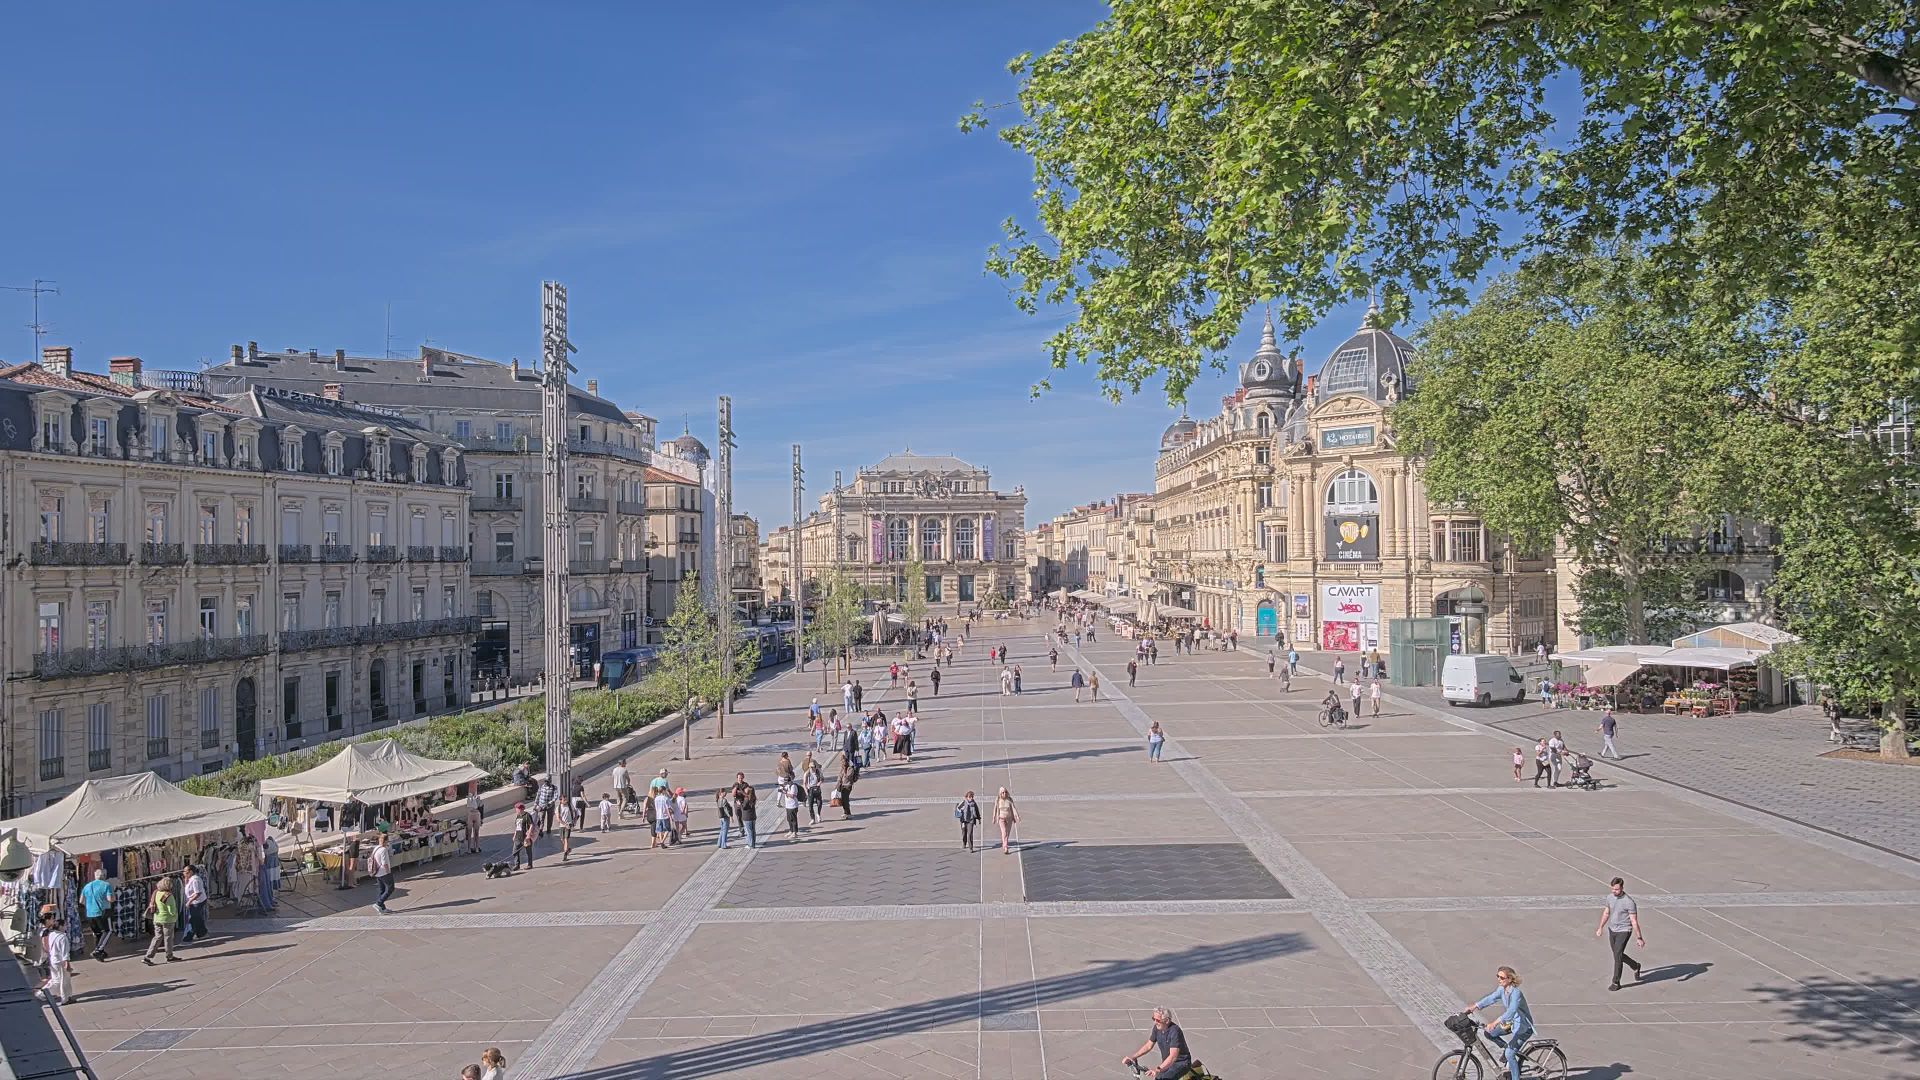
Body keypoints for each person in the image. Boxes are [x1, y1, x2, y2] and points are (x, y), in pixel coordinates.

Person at [1464, 966, 1534, 1080]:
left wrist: (1494, 1023)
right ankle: (1507, 1048)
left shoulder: (1516, 993)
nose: (1499, 979)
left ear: (1510, 979)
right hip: (1511, 1023)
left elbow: (1511, 1011)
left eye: (1502, 977)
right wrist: (1474, 1006)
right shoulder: (1502, 989)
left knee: (1509, 1054)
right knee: (1489, 1033)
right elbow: (1491, 998)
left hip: (1523, 1027)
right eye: (1498, 976)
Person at [1596, 877, 1646, 990]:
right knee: (1617, 954)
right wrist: (1600, 927)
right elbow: (1606, 913)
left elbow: (1634, 921)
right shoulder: (1610, 897)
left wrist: (1639, 937)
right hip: (1612, 929)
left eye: (1617, 889)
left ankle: (1616, 982)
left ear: (1622, 888)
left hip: (1624, 930)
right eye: (1613, 889)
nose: (1614, 891)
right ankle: (1635, 965)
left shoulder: (1629, 902)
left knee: (1617, 956)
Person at [1121, 1007, 1193, 1080]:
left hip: (1181, 1063)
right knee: (1157, 1077)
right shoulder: (1157, 1028)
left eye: (1158, 1020)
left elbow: (1173, 1057)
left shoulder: (1175, 1031)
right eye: (1153, 1019)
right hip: (1167, 1062)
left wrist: (1157, 1069)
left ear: (1167, 1020)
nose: (1155, 1022)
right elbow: (1148, 1046)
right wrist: (1133, 1057)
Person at [143, 876, 180, 965]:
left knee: (157, 938)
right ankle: (169, 956)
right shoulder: (169, 896)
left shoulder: (156, 892)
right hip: (167, 920)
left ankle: (147, 957)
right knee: (168, 938)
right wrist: (176, 915)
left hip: (157, 919)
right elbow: (172, 911)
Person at [79, 869, 112, 960]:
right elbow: (110, 899)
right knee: (108, 931)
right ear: (103, 876)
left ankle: (100, 953)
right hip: (102, 912)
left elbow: (81, 901)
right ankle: (98, 950)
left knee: (97, 933)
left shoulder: (87, 886)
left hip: (90, 914)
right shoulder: (106, 885)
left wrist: (89, 905)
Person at [39, 918, 73, 1005]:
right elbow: (65, 952)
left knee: (56, 980)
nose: (66, 927)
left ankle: (43, 992)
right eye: (65, 925)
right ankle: (65, 998)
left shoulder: (52, 934)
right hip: (60, 961)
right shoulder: (63, 937)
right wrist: (67, 963)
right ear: (61, 926)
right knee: (63, 980)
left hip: (53, 960)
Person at [179, 863, 208, 944]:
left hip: (197, 902)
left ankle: (189, 936)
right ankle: (203, 933)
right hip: (194, 901)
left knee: (193, 919)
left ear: (191, 872)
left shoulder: (195, 880)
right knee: (197, 918)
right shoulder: (190, 879)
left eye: (185, 871)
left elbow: (197, 893)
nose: (183, 873)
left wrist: (189, 901)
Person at [369, 833, 395, 913]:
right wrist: (388, 872)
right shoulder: (383, 850)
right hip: (384, 872)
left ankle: (382, 908)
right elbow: (384, 863)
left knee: (382, 890)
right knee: (391, 888)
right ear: (386, 841)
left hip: (377, 872)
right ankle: (379, 903)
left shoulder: (376, 848)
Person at [731, 773, 759, 848]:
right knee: (740, 818)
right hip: (747, 810)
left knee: (749, 830)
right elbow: (733, 794)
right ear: (737, 778)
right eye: (739, 778)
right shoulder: (735, 784)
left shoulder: (746, 785)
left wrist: (742, 793)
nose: (740, 779)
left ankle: (751, 844)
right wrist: (736, 788)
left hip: (744, 807)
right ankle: (750, 840)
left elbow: (745, 804)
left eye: (741, 778)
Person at [511, 802, 536, 869]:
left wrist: (528, 835)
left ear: (521, 809)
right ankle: (517, 865)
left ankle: (530, 864)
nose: (516, 810)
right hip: (518, 837)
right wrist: (514, 835)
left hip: (525, 837)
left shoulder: (527, 815)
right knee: (515, 851)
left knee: (528, 851)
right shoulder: (518, 816)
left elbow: (531, 825)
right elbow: (517, 826)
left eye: (517, 809)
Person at [995, 787, 1019, 854]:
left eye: (1005, 792)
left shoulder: (1009, 799)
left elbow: (1013, 808)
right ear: (1000, 793)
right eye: (1003, 792)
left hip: (1009, 818)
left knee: (1007, 833)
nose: (1004, 793)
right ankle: (1006, 847)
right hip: (1001, 818)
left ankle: (1004, 843)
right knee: (1004, 832)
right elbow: (997, 809)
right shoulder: (998, 800)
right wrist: (995, 817)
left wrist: (1017, 816)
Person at [466, 784, 485, 852]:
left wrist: (478, 801)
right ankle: (469, 848)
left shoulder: (477, 798)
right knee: (469, 833)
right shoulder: (469, 798)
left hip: (476, 814)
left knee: (476, 832)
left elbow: (480, 807)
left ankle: (476, 847)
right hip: (471, 814)